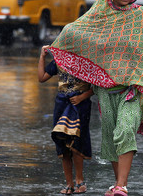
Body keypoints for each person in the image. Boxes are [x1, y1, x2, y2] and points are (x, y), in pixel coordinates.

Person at [48, 0, 143, 196]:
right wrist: (57, 47)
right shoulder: (97, 17)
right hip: (106, 90)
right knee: (112, 138)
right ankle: (118, 184)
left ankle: (122, 186)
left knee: (125, 129)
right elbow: (74, 33)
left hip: (133, 89)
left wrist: (141, 78)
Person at [38, 45, 93, 195]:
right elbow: (42, 78)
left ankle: (80, 181)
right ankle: (69, 184)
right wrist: (42, 56)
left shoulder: (87, 61)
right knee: (62, 142)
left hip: (80, 106)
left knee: (77, 141)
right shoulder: (59, 61)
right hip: (62, 104)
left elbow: (99, 85)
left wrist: (82, 96)